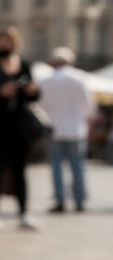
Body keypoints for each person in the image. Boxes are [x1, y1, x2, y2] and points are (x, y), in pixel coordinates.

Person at [0, 27, 39, 231]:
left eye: (6, 42)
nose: (2, 46)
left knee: (20, 170)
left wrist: (32, 91)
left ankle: (24, 213)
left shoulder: (25, 66)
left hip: (20, 126)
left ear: (14, 43)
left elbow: (34, 96)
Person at [39, 47, 96, 214]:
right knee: (78, 166)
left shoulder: (46, 80)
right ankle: (79, 200)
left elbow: (41, 106)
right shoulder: (80, 78)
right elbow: (90, 106)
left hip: (54, 129)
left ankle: (60, 200)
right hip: (76, 129)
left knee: (56, 166)